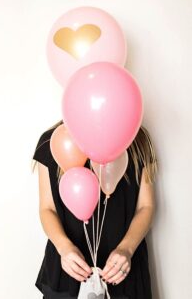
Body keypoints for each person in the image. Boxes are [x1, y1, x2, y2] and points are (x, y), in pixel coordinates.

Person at [31, 119, 158, 299]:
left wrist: (127, 249)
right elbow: (47, 209)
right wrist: (64, 247)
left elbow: (146, 206)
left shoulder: (138, 139)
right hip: (67, 272)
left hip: (123, 271)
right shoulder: (53, 141)